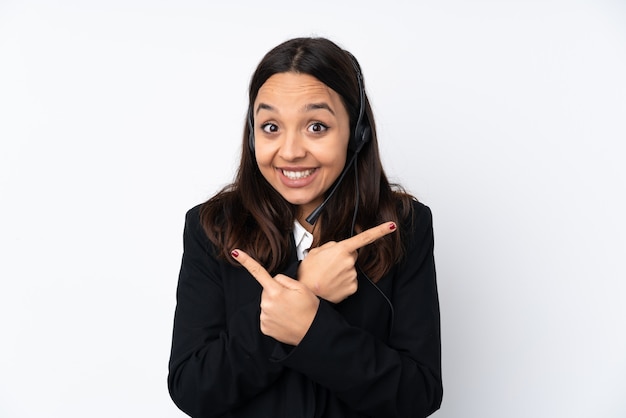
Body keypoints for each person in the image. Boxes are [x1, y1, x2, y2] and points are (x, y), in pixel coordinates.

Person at [168, 37, 442, 418]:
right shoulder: (211, 226)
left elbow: (418, 395)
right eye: (270, 126)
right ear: (252, 135)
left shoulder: (403, 225)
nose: (291, 150)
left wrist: (313, 329)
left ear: (356, 133)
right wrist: (304, 286)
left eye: (316, 126)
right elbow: (193, 389)